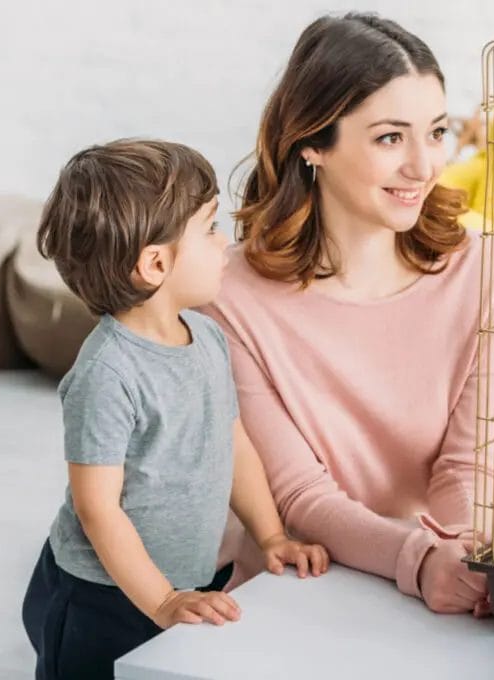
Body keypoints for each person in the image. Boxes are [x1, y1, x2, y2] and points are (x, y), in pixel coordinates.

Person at [204, 13, 494, 616]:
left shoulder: (493, 268)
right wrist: (420, 560)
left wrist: (465, 555)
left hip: (430, 586)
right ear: (313, 144)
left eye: (435, 132)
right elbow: (298, 495)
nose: (424, 167)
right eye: (389, 138)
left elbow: (470, 461)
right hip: (292, 587)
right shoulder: (228, 298)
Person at [21, 139, 329, 680]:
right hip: (101, 599)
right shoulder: (108, 375)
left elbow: (231, 442)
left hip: (184, 582)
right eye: (210, 229)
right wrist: (161, 601)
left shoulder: (206, 337)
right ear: (156, 263)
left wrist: (271, 536)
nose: (225, 245)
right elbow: (99, 510)